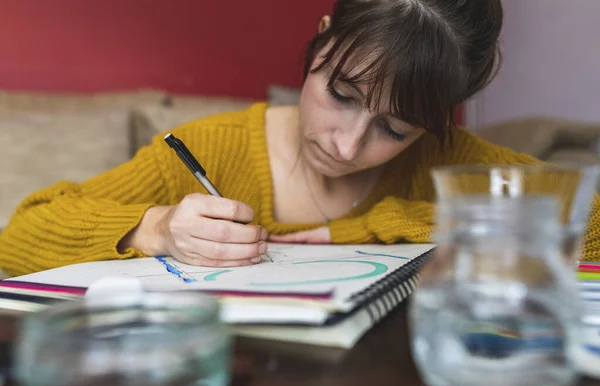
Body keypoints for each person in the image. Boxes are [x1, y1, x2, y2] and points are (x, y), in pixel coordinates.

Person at [1, 0, 599, 277]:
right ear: (323, 39)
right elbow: (17, 238)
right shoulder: (211, 146)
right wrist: (153, 228)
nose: (346, 147)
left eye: (393, 129)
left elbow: (590, 224)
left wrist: (395, 224)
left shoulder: (446, 158)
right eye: (341, 95)